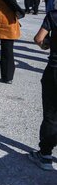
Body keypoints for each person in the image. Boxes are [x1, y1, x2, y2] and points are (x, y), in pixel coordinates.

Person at [28, 9, 57, 171]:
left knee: (51, 114)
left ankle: (45, 155)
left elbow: (39, 39)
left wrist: (46, 44)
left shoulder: (54, 14)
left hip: (54, 70)